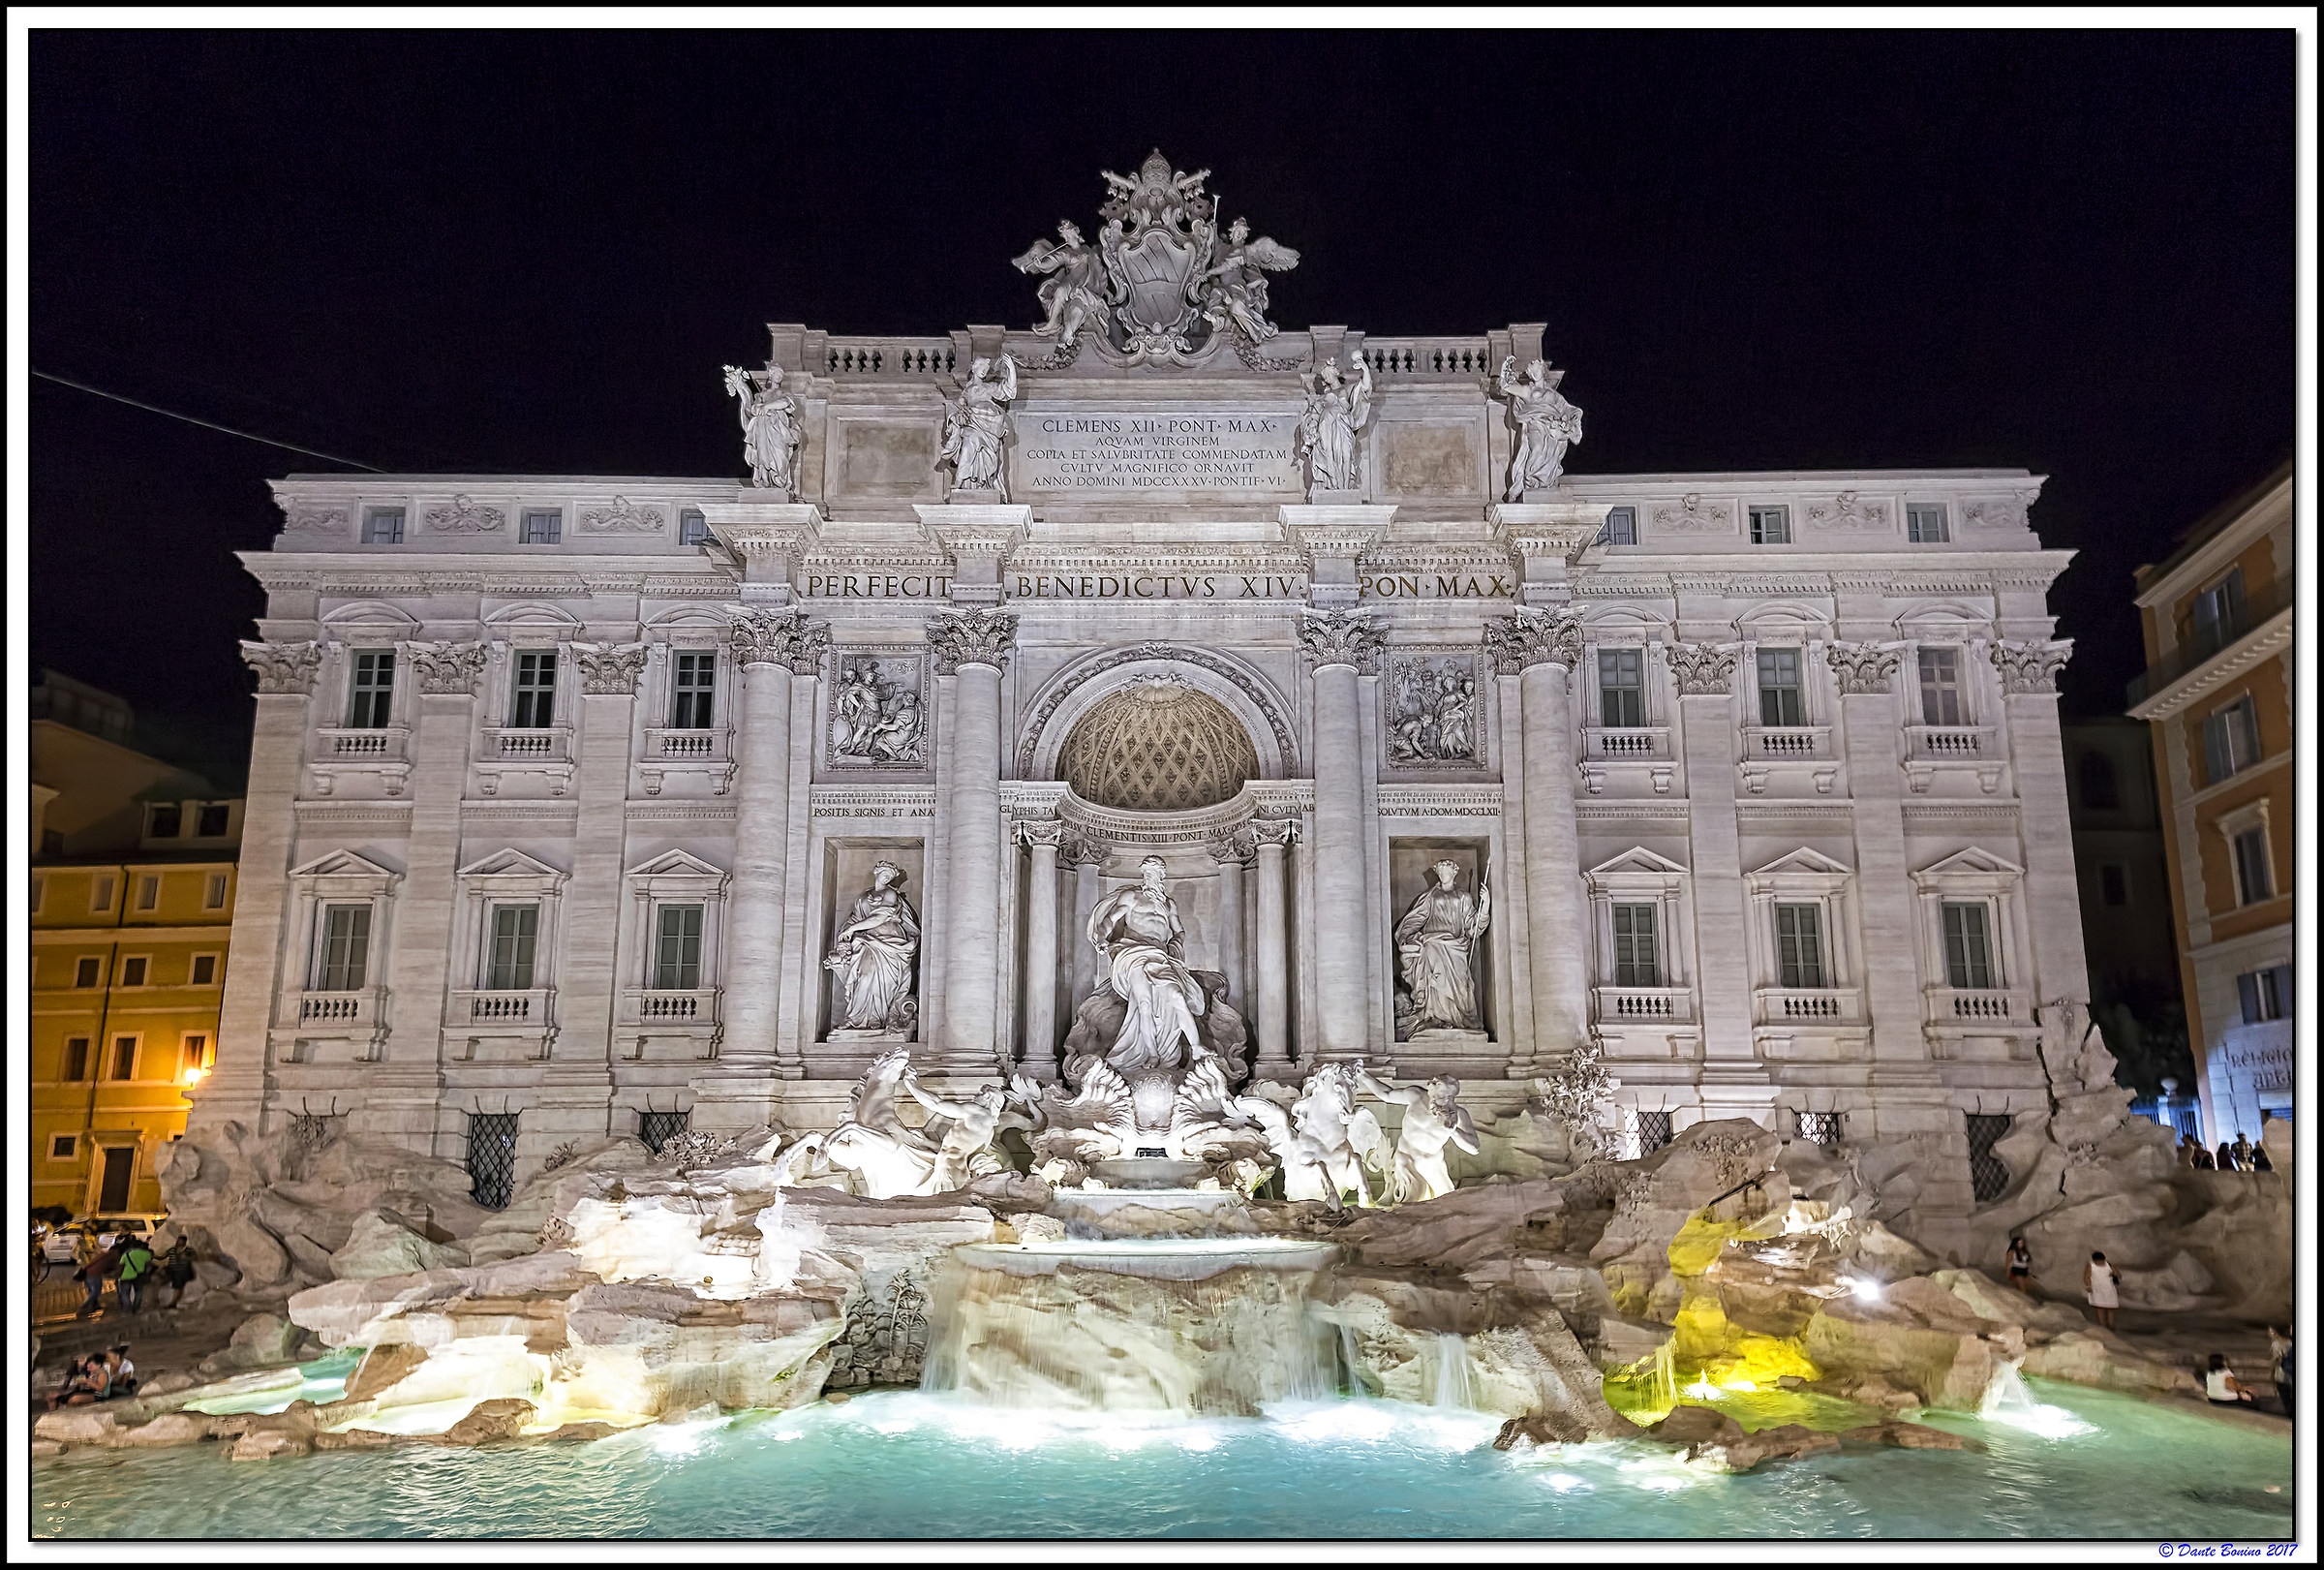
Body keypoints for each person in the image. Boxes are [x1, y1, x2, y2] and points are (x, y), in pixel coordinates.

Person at [114, 1234, 155, 1314]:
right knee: (139, 1292)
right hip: (139, 1275)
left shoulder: (127, 1254)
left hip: (126, 1276)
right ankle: (136, 1309)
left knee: (125, 1293)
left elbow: (121, 1266)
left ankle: (127, 1310)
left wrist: (118, 1276)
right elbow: (149, 1265)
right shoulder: (146, 1254)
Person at [157, 1236, 199, 1308]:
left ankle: (173, 1303)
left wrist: (187, 1257)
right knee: (177, 1286)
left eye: (180, 1241)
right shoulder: (172, 1249)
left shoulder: (188, 1250)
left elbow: (195, 1257)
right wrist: (155, 1257)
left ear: (184, 1242)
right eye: (178, 1240)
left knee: (178, 1287)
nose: (178, 1242)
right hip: (173, 1270)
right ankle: (173, 1302)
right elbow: (163, 1256)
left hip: (182, 1271)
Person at [2082, 1250, 2120, 1331]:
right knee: (2100, 1307)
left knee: (2111, 1307)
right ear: (2094, 1260)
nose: (2099, 1263)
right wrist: (2088, 1286)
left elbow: (2118, 1275)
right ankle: (2101, 1324)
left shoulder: (2108, 1265)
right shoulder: (2091, 1266)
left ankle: (2110, 1325)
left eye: (2101, 1261)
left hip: (2109, 1289)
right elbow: (2086, 1276)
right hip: (2097, 1289)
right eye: (2098, 1261)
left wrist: (2115, 1273)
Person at [2269, 1327, 2292, 1419]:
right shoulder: (2289, 1342)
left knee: (2286, 1397)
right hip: (2289, 1374)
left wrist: (2272, 1373)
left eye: (2271, 1331)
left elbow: (2275, 1360)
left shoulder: (2276, 1343)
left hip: (2281, 1374)